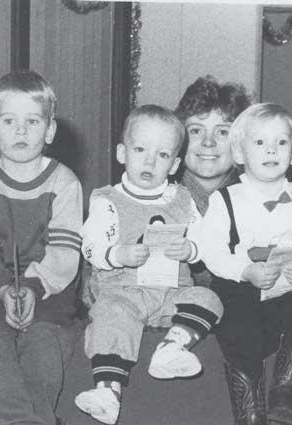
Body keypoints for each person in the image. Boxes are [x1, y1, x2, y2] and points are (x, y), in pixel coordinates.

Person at [76, 105, 223, 425]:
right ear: (121, 153)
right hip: (124, 291)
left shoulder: (184, 200)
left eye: (162, 154)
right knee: (109, 315)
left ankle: (172, 347)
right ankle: (108, 391)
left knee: (209, 299)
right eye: (140, 150)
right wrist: (118, 255)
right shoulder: (107, 200)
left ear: (175, 164)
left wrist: (191, 249)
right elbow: (90, 245)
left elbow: (206, 242)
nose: (149, 161)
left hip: (172, 292)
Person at [0, 71, 82, 425]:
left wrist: (33, 287)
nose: (21, 131)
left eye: (33, 121)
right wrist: (1, 288)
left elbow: (64, 254)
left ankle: (38, 418)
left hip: (49, 289)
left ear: (50, 130)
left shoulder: (65, 183)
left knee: (44, 342)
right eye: (9, 121)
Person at [198, 103, 292, 425]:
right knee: (236, 326)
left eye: (281, 142)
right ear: (240, 153)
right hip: (240, 288)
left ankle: (285, 401)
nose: (271, 149)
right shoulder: (224, 199)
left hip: (289, 288)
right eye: (259, 142)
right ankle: (250, 412)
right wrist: (244, 270)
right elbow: (211, 252)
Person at [174, 75, 252, 288]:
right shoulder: (157, 198)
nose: (208, 142)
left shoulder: (257, 200)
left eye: (223, 132)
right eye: (196, 131)